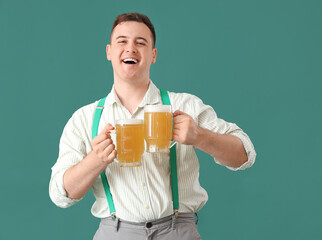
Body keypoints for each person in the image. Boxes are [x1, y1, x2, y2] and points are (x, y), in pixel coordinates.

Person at [49, 12, 256, 240]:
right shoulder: (84, 119)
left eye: (141, 42)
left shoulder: (184, 105)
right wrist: (95, 160)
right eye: (122, 41)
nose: (131, 49)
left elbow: (245, 154)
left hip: (179, 232)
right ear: (109, 52)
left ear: (153, 55)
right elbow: (60, 195)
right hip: (115, 234)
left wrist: (200, 136)